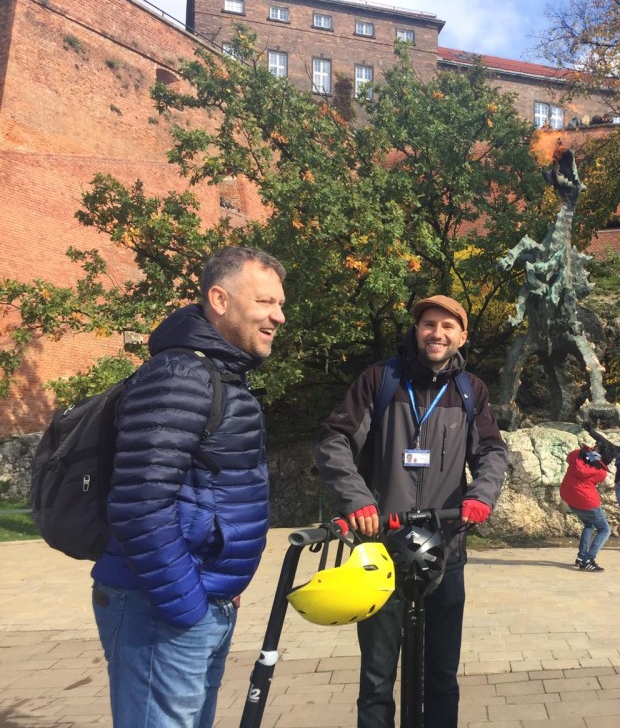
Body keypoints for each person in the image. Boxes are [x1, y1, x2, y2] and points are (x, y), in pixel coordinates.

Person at [91, 246, 287, 728]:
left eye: (280, 305)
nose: (278, 317)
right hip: (161, 607)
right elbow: (140, 503)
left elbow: (206, 492)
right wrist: (189, 603)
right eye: (265, 302)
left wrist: (220, 580)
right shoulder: (180, 374)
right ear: (219, 299)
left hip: (194, 599)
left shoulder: (217, 374)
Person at [315, 294, 508, 728]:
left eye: (447, 327)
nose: (436, 334)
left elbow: (493, 451)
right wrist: (358, 499)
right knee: (378, 678)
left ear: (462, 336)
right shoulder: (380, 379)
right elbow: (334, 441)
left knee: (441, 674)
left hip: (445, 551)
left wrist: (481, 496)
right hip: (382, 551)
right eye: (428, 325)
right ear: (416, 331)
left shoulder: (470, 390)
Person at [560, 445, 612, 571]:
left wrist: (584, 452)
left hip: (570, 498)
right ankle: (589, 559)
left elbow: (569, 457)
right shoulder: (601, 471)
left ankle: (581, 557)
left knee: (589, 524)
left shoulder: (577, 455)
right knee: (604, 530)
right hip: (587, 502)